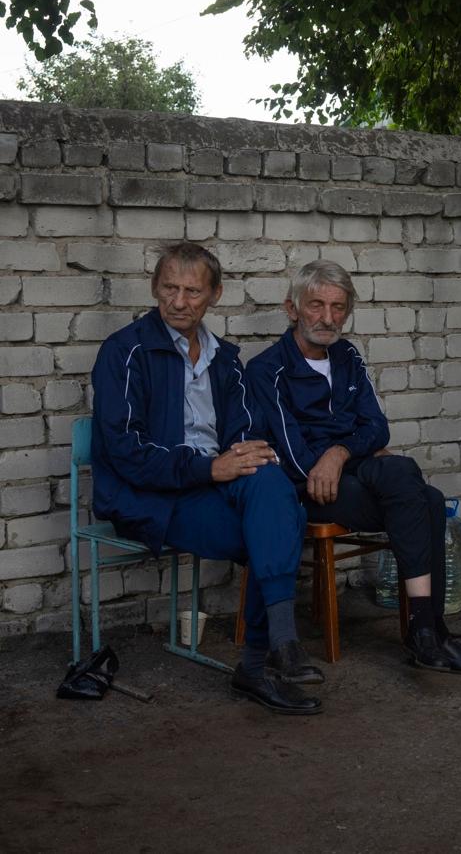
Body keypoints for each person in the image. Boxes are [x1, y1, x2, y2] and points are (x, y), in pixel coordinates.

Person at [90, 243, 321, 715]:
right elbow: (126, 452)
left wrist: (245, 453)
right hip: (152, 497)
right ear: (155, 288)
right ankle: (264, 660)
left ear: (214, 295)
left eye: (192, 291)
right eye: (170, 288)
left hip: (213, 486)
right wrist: (208, 467)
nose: (179, 301)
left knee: (270, 481)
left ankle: (276, 647)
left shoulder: (224, 359)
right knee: (277, 525)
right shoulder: (124, 352)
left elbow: (243, 432)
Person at [246, 260, 461, 675]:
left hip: (352, 472)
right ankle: (429, 631)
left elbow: (376, 427)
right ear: (292, 309)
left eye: (338, 307)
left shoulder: (346, 356)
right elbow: (294, 456)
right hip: (307, 490)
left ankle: (427, 632)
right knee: (428, 500)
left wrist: (340, 451)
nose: (328, 318)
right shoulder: (266, 370)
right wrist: (339, 455)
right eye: (316, 305)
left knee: (407, 476)